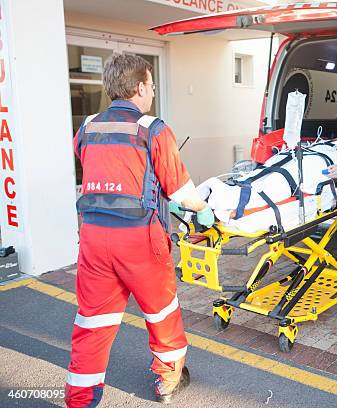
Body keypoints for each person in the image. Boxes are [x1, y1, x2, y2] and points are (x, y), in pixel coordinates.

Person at [65, 53, 214, 407]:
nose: (151, 92)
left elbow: (104, 170)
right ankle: (168, 380)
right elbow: (183, 194)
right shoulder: (153, 129)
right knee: (162, 312)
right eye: (150, 84)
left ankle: (81, 396)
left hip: (93, 238)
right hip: (139, 240)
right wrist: (203, 211)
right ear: (138, 87)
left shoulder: (87, 127)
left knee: (93, 320)